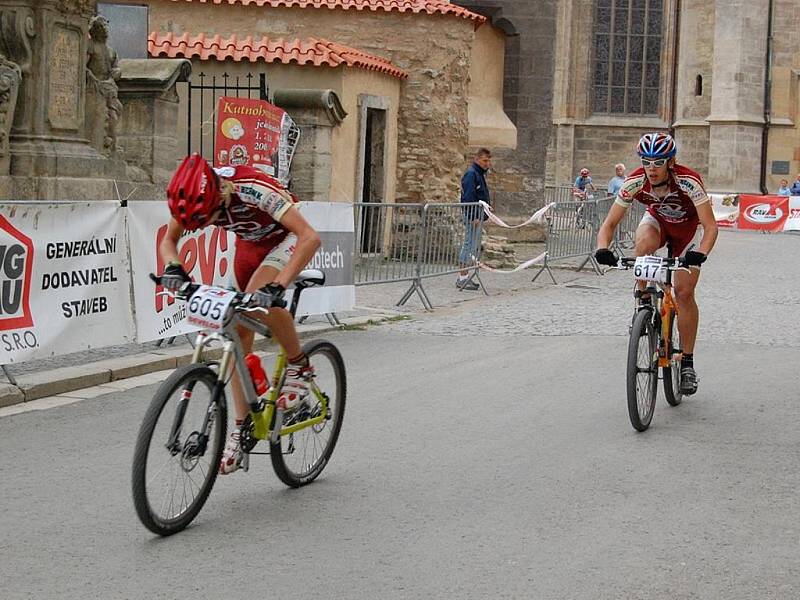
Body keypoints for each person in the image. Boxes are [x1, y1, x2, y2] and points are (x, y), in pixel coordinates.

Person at [159, 154, 321, 474]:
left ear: (218, 197)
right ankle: (240, 425)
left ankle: (299, 366)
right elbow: (169, 241)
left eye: (205, 221)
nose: (202, 226)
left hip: (284, 238)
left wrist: (279, 285)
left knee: (261, 301)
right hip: (249, 245)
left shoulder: (252, 190)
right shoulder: (191, 199)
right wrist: (173, 267)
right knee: (235, 327)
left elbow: (309, 238)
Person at [594, 133, 718, 396]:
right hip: (658, 223)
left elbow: (710, 226)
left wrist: (701, 253)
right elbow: (609, 224)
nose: (651, 168)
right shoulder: (635, 181)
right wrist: (602, 248)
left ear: (670, 162)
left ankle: (687, 362)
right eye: (646, 161)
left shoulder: (688, 181)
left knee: (684, 292)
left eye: (658, 162)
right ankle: (643, 299)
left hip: (687, 232)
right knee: (643, 244)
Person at [457, 148, 492, 290]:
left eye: (489, 160)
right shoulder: (472, 174)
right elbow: (468, 197)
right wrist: (473, 216)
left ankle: (465, 276)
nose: (487, 164)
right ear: (477, 159)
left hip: (478, 215)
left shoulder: (478, 174)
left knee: (472, 245)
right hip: (473, 217)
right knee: (469, 245)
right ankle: (462, 277)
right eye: (484, 160)